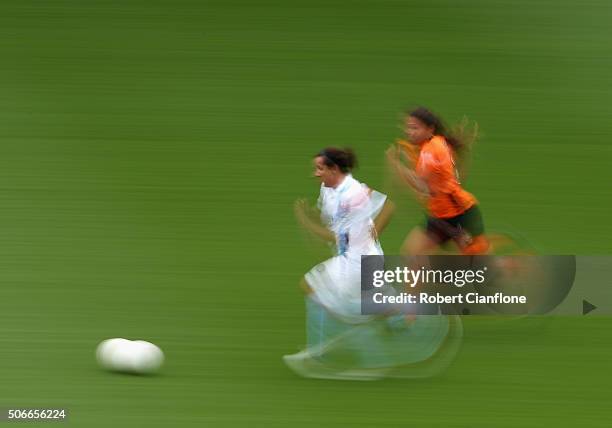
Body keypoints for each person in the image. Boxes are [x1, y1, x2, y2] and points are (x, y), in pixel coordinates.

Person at [386, 107, 489, 256]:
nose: (409, 131)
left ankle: (510, 266)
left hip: (458, 215)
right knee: (412, 254)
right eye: (408, 127)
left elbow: (420, 185)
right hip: (440, 217)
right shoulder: (435, 143)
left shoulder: (431, 150)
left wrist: (396, 164)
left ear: (430, 130)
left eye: (415, 128)